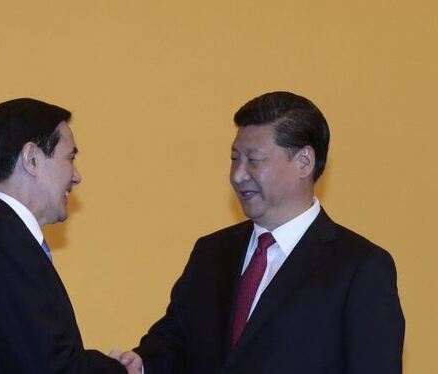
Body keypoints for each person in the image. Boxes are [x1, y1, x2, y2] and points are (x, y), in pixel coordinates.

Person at [117, 91, 405, 373]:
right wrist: (142, 364)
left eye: (253, 160)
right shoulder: (212, 252)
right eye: (234, 158)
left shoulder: (360, 267)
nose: (238, 175)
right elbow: (175, 341)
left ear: (303, 161)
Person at [0, 98, 134, 374]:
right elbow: (52, 366)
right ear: (32, 159)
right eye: (70, 158)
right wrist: (118, 371)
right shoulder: (4, 239)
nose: (76, 176)